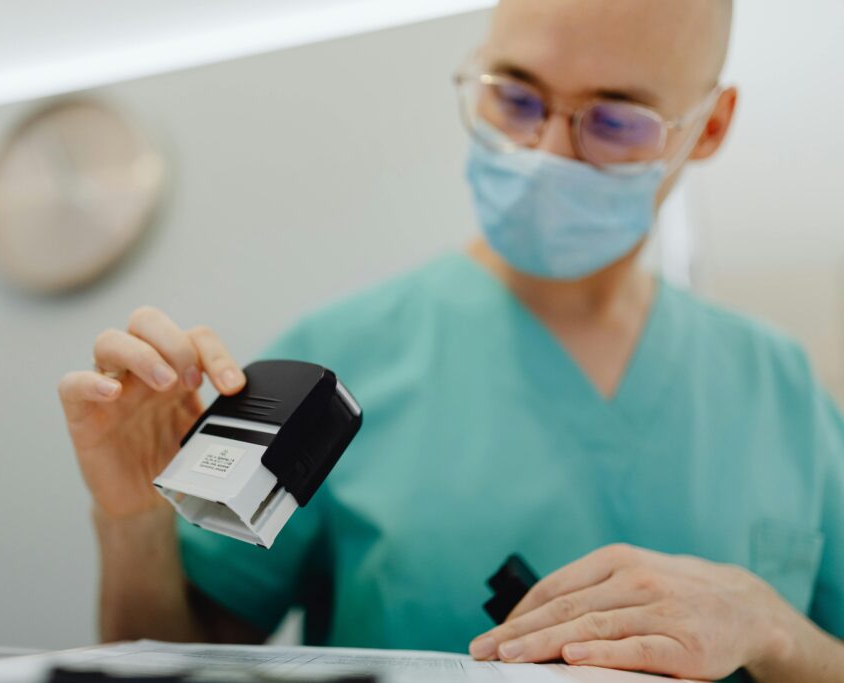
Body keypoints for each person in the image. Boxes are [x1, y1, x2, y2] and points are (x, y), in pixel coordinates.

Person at [58, 0, 844, 680]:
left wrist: (772, 627)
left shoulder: (780, 387)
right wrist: (131, 519)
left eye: (612, 120)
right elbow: (182, 655)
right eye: (517, 99)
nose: (546, 155)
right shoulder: (336, 364)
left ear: (707, 127)